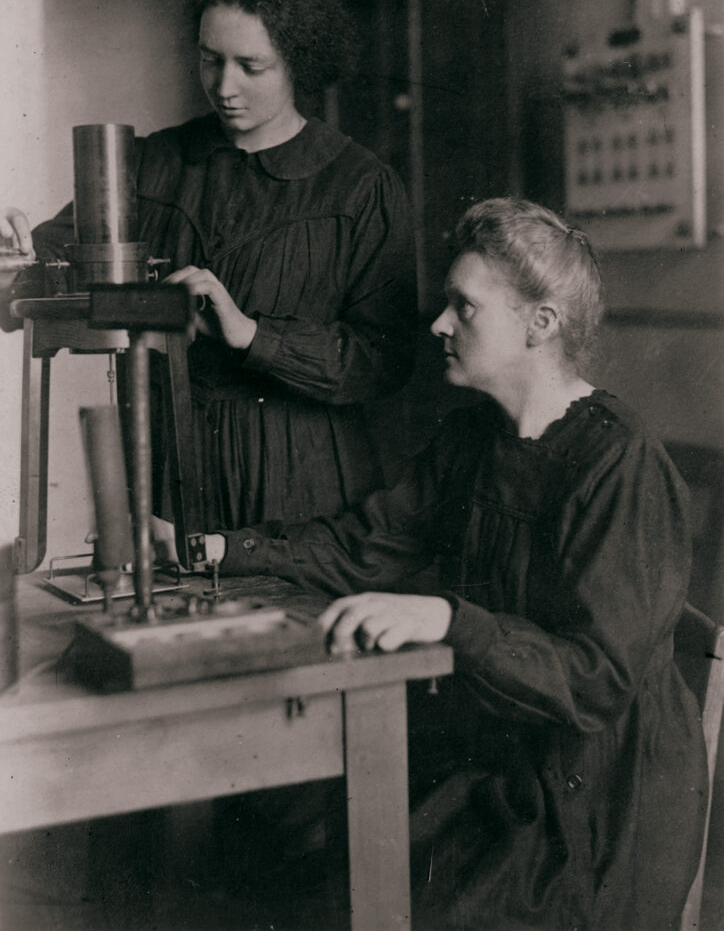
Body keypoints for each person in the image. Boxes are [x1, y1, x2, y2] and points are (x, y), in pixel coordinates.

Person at [188, 197, 707, 930]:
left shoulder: (618, 460)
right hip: (499, 755)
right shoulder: (472, 439)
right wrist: (216, 550)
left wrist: (445, 619)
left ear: (541, 323)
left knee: (385, 896)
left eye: (464, 307)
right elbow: (361, 545)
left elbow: (596, 681)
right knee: (285, 850)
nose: (438, 324)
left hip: (590, 801)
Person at [0, 0, 417, 531]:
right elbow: (37, 284)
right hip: (171, 478)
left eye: (252, 66)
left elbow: (386, 360)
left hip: (305, 486)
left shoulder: (359, 186)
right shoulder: (150, 164)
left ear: (299, 60)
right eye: (209, 59)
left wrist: (252, 334)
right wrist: (11, 264)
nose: (224, 86)